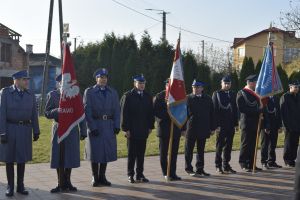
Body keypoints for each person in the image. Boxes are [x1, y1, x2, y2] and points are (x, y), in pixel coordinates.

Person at [0, 70, 40, 197]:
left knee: (22, 159)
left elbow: (34, 113)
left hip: (25, 130)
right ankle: (10, 186)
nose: (27, 82)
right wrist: (2, 132)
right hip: (10, 128)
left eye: (27, 79)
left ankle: (20, 186)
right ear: (16, 80)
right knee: (9, 159)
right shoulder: (5, 93)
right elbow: (1, 114)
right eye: (24, 79)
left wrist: (36, 130)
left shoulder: (30, 94)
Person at [45, 74, 87, 193]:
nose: (64, 84)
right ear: (58, 83)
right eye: (62, 82)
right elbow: (47, 113)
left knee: (70, 155)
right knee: (59, 155)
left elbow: (81, 114)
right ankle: (60, 183)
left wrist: (83, 130)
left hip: (72, 128)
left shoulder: (75, 95)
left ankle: (68, 181)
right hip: (58, 128)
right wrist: (57, 111)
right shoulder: (52, 95)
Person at [84, 68, 120, 187]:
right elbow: (87, 111)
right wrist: (92, 127)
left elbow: (117, 111)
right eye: (101, 77)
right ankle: (95, 176)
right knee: (95, 152)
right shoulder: (89, 92)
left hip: (108, 125)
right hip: (96, 124)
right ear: (96, 79)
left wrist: (116, 125)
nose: (103, 80)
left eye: (105, 77)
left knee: (105, 152)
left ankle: (102, 176)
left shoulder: (113, 92)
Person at [120, 74, 155, 183]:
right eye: (140, 83)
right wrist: (126, 129)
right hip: (132, 130)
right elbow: (124, 113)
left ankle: (140, 174)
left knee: (141, 154)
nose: (142, 85)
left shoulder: (148, 96)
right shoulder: (128, 96)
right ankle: (130, 174)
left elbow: (150, 113)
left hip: (143, 129)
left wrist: (150, 126)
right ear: (135, 84)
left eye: (143, 83)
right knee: (132, 154)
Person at [153, 79, 185, 181]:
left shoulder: (178, 97)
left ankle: (173, 173)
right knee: (164, 152)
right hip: (164, 129)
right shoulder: (160, 96)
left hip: (175, 129)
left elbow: (182, 113)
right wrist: (169, 113)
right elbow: (156, 112)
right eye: (169, 84)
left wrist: (183, 128)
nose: (171, 86)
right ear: (166, 85)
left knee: (174, 153)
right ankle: (165, 172)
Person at [185, 79, 215, 177]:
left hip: (203, 128)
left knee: (201, 150)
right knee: (189, 150)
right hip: (191, 128)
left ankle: (200, 169)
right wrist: (182, 129)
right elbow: (183, 115)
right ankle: (189, 169)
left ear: (202, 88)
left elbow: (212, 114)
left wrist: (212, 128)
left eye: (197, 87)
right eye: (194, 87)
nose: (195, 89)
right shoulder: (187, 98)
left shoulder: (207, 98)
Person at [236, 74, 263, 172]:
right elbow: (242, 108)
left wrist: (260, 111)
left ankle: (252, 164)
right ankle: (243, 163)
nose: (256, 84)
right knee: (246, 144)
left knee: (253, 144)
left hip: (255, 123)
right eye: (255, 82)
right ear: (249, 82)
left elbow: (259, 106)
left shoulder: (256, 94)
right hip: (246, 122)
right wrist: (257, 111)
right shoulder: (242, 93)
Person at [212, 75, 238, 174]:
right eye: (225, 83)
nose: (227, 85)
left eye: (228, 83)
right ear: (221, 84)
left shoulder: (232, 94)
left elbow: (235, 110)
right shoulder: (217, 94)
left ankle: (226, 165)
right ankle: (218, 165)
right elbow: (215, 111)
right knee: (220, 145)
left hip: (230, 124)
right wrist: (216, 125)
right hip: (221, 125)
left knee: (229, 146)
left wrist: (236, 124)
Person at [280, 80, 300, 167]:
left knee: (295, 143)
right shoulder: (285, 97)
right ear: (290, 87)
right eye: (295, 87)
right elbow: (283, 112)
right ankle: (287, 160)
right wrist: (285, 125)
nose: (297, 89)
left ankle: (293, 159)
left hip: (298, 124)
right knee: (288, 143)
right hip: (289, 125)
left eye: (298, 87)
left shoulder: (298, 96)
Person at [260, 95, 282, 169]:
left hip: (274, 124)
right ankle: (264, 162)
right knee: (265, 144)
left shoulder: (276, 98)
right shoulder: (263, 98)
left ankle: (271, 161)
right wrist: (265, 126)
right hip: (265, 125)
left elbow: (278, 111)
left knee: (273, 144)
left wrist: (279, 125)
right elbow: (262, 113)